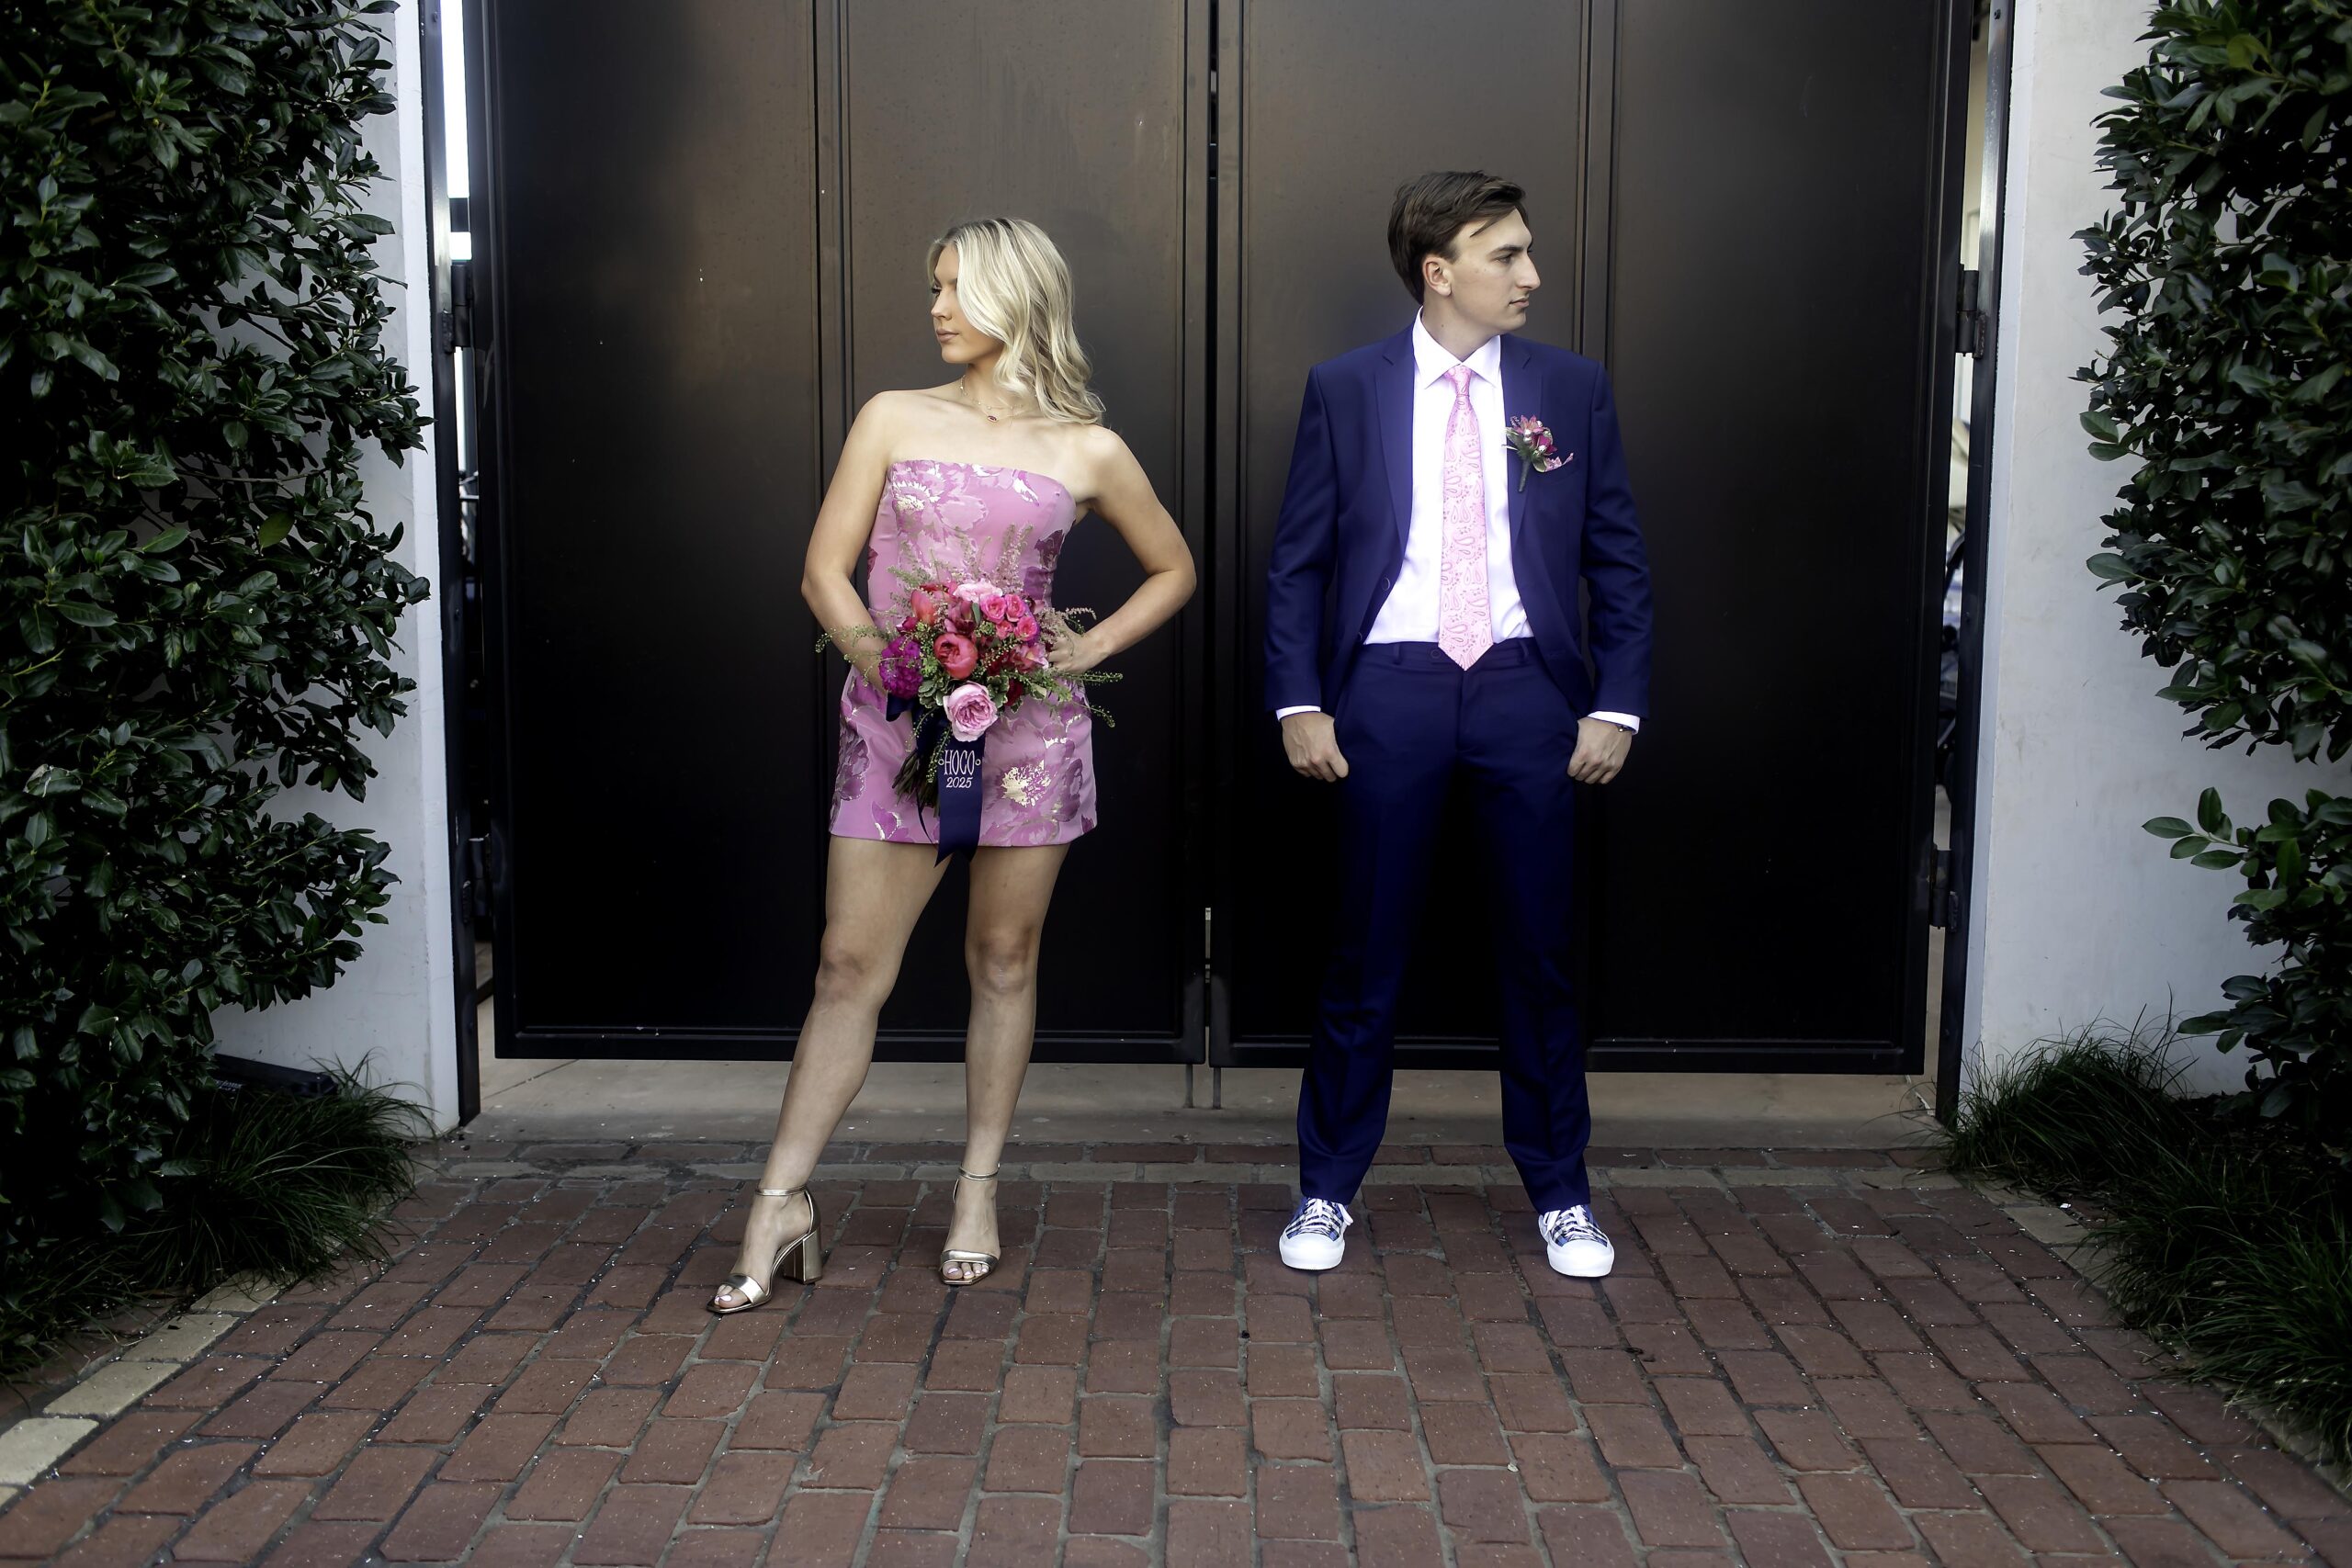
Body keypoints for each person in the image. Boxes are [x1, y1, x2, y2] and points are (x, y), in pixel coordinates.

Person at [711, 217, 1195, 1313]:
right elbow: (824, 573)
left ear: (1016, 295)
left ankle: (977, 1189)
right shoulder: (892, 416)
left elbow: (1173, 568)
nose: (934, 308)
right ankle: (779, 1203)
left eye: (954, 288)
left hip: (1027, 738)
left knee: (1004, 959)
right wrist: (894, 671)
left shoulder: (1087, 447)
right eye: (932, 286)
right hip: (898, 723)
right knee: (847, 966)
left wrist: (1088, 647)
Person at [1263, 171, 1654, 1279]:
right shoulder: (1346, 388)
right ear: (1438, 273)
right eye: (1506, 255)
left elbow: (1617, 558)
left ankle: (1561, 1193)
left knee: (1540, 955)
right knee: (1364, 950)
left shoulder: (1569, 388)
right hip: (1388, 689)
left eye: (1526, 252)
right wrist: (1299, 700)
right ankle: (1326, 1190)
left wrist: (1615, 702)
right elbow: (1297, 564)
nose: (1531, 274)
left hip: (1527, 691)